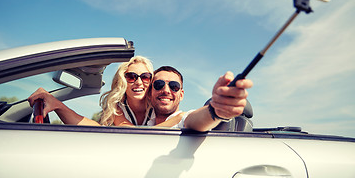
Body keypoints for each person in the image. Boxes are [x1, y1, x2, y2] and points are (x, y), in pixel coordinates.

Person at [28, 56, 183, 127]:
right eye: (131, 77)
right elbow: (130, 134)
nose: (138, 82)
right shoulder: (118, 107)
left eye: (145, 77)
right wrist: (58, 105)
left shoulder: (158, 105)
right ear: (123, 81)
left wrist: (182, 118)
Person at [146, 66, 253, 132]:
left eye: (174, 86)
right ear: (150, 93)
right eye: (159, 84)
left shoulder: (183, 121)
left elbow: (196, 120)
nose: (166, 90)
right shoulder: (146, 123)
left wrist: (216, 111)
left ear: (181, 95)